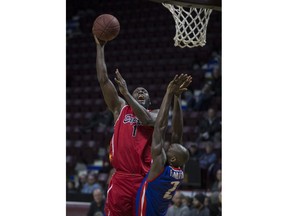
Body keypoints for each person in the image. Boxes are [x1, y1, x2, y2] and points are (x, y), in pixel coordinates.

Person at [94, 36, 159, 216]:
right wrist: (100, 47)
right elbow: (103, 79)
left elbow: (146, 120)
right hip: (121, 178)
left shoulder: (156, 113)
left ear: (149, 100)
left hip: (143, 179)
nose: (140, 92)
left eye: (144, 92)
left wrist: (127, 93)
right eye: (137, 90)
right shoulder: (120, 108)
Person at [136, 74, 192, 216]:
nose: (169, 146)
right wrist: (177, 98)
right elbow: (177, 135)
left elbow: (160, 128)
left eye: (170, 149)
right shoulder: (179, 170)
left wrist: (168, 94)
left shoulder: (159, 166)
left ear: (172, 158)